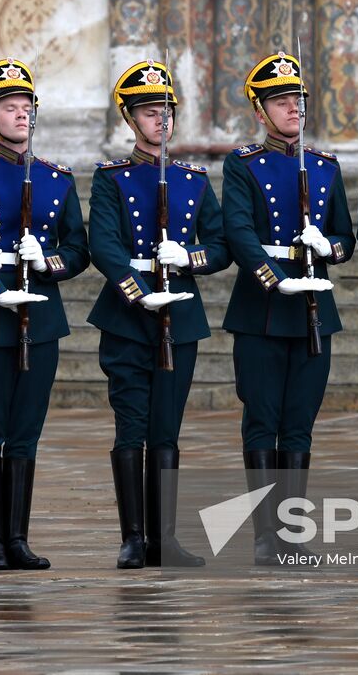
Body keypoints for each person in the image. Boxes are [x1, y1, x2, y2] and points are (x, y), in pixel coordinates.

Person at [0, 58, 89, 570]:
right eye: (9, 106)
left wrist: (46, 262)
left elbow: (77, 247)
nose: (21, 114)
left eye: (27, 106)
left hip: (40, 313)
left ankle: (17, 537)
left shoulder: (57, 177)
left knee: (26, 427)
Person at [87, 60, 229, 569]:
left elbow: (218, 246)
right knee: (132, 426)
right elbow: (102, 243)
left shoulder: (193, 179)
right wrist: (137, 289)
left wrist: (187, 258)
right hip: (128, 318)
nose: (161, 121)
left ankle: (164, 538)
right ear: (130, 119)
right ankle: (132, 537)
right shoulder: (111, 179)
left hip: (180, 318)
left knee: (166, 429)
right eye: (149, 112)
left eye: (167, 111)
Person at [221, 51, 354, 566]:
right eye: (281, 101)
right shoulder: (243, 165)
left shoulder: (323, 167)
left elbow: (346, 235)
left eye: (297, 99)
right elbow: (238, 230)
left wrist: (328, 249)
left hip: (314, 307)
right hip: (262, 308)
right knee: (262, 420)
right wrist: (274, 280)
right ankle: (263, 535)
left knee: (299, 423)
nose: (293, 107)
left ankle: (290, 531)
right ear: (260, 110)